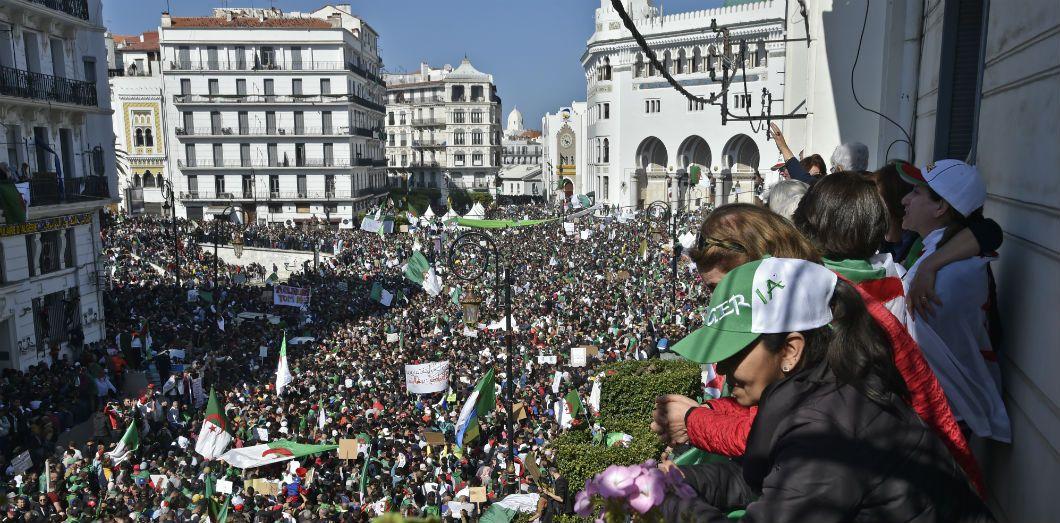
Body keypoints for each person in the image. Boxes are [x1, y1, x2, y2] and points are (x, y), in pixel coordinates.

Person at [657, 258, 993, 522]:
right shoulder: (817, 388)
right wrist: (683, 480)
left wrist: (670, 504)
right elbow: (767, 480)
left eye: (733, 355)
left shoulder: (827, 422)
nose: (723, 369)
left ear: (790, 350)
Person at [899, 160, 1010, 442]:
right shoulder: (940, 255)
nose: (904, 199)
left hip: (942, 414)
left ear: (940, 207)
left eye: (916, 193)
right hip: (946, 409)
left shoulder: (949, 275)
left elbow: (915, 344)